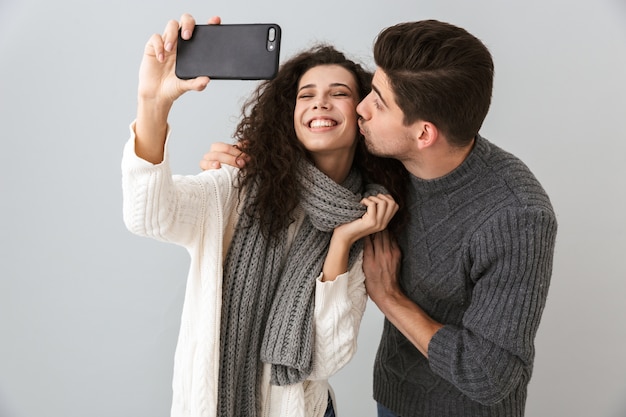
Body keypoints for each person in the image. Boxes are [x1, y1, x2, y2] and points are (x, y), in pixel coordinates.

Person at [205, 19, 558, 417]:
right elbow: (316, 167)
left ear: (424, 134)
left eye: (379, 101)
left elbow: (490, 375)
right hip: (391, 398)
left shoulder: (516, 216)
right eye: (372, 88)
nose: (361, 107)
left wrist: (389, 297)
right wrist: (250, 160)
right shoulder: (389, 163)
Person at [122, 14, 408, 417]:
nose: (319, 103)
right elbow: (149, 216)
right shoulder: (239, 185)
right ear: (289, 113)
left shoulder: (367, 217)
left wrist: (342, 241)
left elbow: (327, 357)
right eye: (305, 95)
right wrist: (153, 102)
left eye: (338, 92)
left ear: (361, 114)